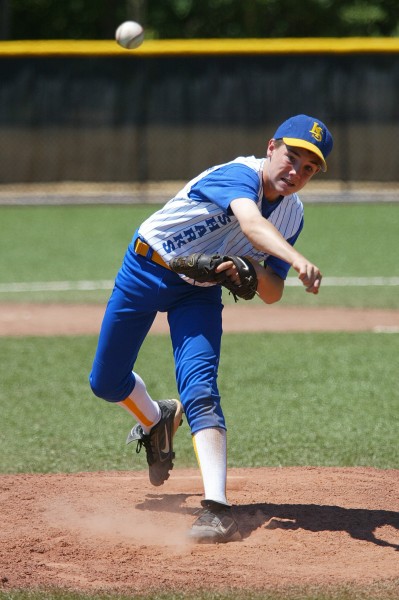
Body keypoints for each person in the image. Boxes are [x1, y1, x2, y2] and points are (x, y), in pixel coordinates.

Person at [89, 113, 333, 544]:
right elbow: (252, 224)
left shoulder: (292, 216)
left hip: (199, 290)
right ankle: (157, 418)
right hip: (147, 268)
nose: (295, 172)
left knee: (200, 387)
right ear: (271, 146)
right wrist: (297, 262)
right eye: (292, 156)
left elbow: (271, 292)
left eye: (309, 168)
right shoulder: (237, 175)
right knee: (106, 382)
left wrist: (250, 269)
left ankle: (216, 507)